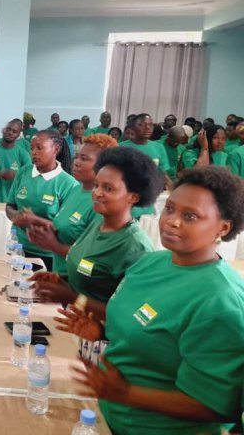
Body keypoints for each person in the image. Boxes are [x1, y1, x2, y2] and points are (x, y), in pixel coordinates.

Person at [56, 166, 244, 435]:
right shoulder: (151, 263)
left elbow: (217, 405)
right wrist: (101, 332)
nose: (172, 221)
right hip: (108, 416)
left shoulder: (221, 301)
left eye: (190, 216)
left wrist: (126, 393)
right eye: (170, 209)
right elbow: (153, 334)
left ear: (223, 228)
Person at [31, 147, 162, 317]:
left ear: (133, 197)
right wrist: (60, 281)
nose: (97, 193)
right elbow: (91, 278)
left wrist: (74, 298)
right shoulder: (98, 224)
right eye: (96, 185)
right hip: (75, 322)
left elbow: (131, 314)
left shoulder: (135, 246)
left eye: (108, 188)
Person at [24, 134, 118, 277]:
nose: (76, 162)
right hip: (59, 277)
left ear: (105, 166)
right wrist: (36, 221)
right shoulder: (76, 190)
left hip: (78, 283)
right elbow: (68, 227)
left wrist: (54, 246)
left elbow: (94, 262)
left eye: (84, 159)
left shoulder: (102, 202)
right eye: (77, 156)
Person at [5, 131, 78, 270]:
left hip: (49, 255)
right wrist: (16, 216)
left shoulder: (68, 184)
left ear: (56, 149)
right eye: (31, 148)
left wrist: (33, 221)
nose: (34, 152)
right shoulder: (23, 172)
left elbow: (67, 228)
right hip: (18, 249)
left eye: (39, 148)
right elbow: (10, 205)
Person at [119, 113, 171, 191]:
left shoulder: (159, 147)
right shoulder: (120, 147)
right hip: (127, 191)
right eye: (142, 125)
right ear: (133, 128)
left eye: (150, 125)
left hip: (150, 192)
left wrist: (173, 191)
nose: (147, 127)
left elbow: (163, 174)